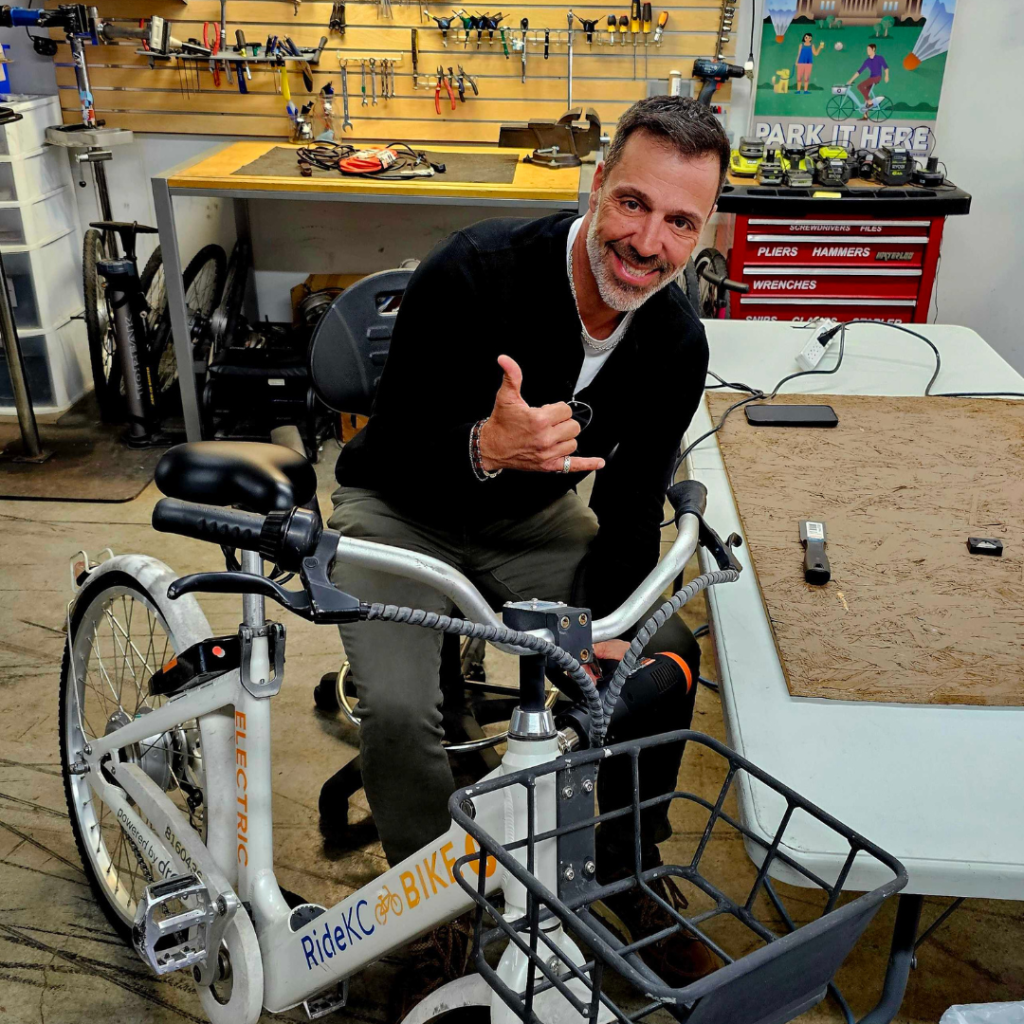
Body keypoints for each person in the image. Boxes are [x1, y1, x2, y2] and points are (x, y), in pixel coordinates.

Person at [325, 95, 727, 1004]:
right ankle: (440, 911)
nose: (648, 242)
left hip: (531, 524)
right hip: (400, 506)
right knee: (396, 708)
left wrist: (615, 624)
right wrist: (483, 447)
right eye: (632, 203)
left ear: (701, 234)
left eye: (679, 222)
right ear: (595, 187)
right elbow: (388, 444)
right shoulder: (474, 272)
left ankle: (628, 866)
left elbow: (629, 506)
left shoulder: (674, 337)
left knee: (661, 656)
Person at [847, 42, 889, 117]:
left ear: (874, 49)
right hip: (871, 78)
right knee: (866, 94)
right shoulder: (867, 61)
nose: (867, 51)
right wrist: (850, 80)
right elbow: (859, 71)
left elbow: (885, 67)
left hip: (877, 77)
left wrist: (886, 76)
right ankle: (865, 115)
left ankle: (870, 103)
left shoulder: (879, 58)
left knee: (860, 86)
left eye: (869, 49)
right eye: (867, 49)